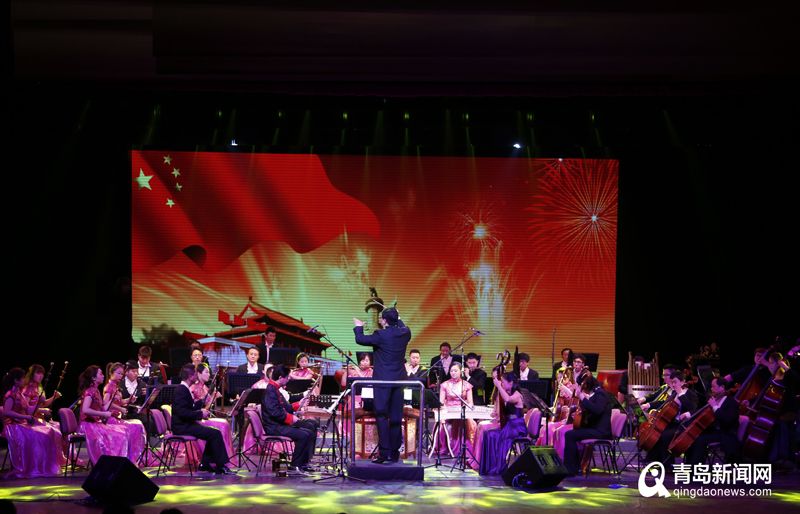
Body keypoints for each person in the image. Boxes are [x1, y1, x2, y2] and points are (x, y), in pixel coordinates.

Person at [353, 307, 412, 464]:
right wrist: (397, 317)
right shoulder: (405, 333)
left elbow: (360, 339)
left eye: (381, 318)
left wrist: (358, 326)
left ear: (384, 321)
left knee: (381, 414)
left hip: (382, 381)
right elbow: (402, 326)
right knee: (396, 417)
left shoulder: (380, 334)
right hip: (399, 381)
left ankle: (384, 453)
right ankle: (394, 453)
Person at [172, 363, 235, 475]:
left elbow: (190, 407)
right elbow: (182, 413)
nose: (197, 376)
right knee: (215, 433)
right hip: (182, 427)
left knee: (213, 433)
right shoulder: (181, 390)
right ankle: (220, 466)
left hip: (186, 424)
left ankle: (205, 463)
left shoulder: (184, 389)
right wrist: (200, 414)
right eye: (195, 374)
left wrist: (201, 402)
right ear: (190, 377)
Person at [1, 367, 64, 477]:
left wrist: (38, 402)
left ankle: (41, 466)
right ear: (16, 380)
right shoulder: (10, 394)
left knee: (48, 432)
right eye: (23, 378)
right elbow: (6, 411)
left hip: (22, 425)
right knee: (41, 435)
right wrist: (24, 417)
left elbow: (30, 410)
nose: (25, 380)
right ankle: (32, 467)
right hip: (13, 427)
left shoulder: (19, 393)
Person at [78, 365, 145, 465]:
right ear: (94, 378)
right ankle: (115, 463)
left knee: (125, 430)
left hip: (96, 424)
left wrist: (112, 401)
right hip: (88, 425)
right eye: (101, 374)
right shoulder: (90, 391)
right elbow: (85, 410)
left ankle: (125, 462)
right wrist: (104, 414)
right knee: (121, 434)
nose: (103, 376)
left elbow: (103, 408)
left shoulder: (96, 391)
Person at [260, 365, 318, 473]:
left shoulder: (275, 389)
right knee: (304, 435)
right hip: (274, 427)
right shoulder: (271, 392)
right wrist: (291, 418)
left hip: (278, 424)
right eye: (287, 377)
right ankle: (294, 466)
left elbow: (284, 407)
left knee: (308, 432)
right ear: (280, 378)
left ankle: (302, 464)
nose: (288, 380)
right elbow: (275, 413)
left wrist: (298, 404)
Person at [644, 370, 698, 465]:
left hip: (685, 425)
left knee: (664, 435)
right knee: (657, 432)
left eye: (675, 382)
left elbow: (692, 408)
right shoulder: (673, 393)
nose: (673, 385)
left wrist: (681, 394)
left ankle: (667, 465)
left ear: (683, 381)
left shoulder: (690, 393)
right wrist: (648, 405)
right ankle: (658, 461)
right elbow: (663, 403)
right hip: (673, 423)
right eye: (672, 382)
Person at [563, 375, 613, 476]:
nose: (583, 390)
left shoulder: (601, 394)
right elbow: (592, 412)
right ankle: (576, 468)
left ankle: (571, 470)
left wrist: (583, 398)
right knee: (570, 433)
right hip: (595, 428)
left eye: (583, 387)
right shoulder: (597, 393)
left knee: (569, 435)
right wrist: (579, 414)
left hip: (601, 431)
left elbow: (597, 410)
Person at [478, 371, 526, 475]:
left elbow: (508, 399)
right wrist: (497, 414)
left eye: (503, 382)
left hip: (517, 426)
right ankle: (490, 466)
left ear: (511, 382)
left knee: (497, 435)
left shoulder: (517, 394)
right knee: (489, 433)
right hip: (510, 425)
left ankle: (499, 466)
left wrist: (498, 386)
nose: (502, 384)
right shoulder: (508, 393)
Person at [683, 376, 740, 465]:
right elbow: (702, 411)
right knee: (691, 433)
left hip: (724, 433)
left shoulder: (732, 403)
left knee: (700, 439)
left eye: (714, 386)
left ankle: (697, 468)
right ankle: (689, 464)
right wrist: (687, 414)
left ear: (722, 387)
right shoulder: (716, 399)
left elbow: (727, 419)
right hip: (713, 429)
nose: (711, 389)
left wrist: (715, 407)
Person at [188, 363, 234, 462]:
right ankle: (216, 458)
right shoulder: (194, 387)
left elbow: (207, 405)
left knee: (225, 423)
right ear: (199, 374)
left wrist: (214, 397)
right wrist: (213, 397)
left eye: (209, 372)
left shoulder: (204, 386)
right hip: (196, 419)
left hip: (202, 417)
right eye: (206, 372)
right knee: (222, 425)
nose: (209, 374)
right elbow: (198, 406)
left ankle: (220, 457)